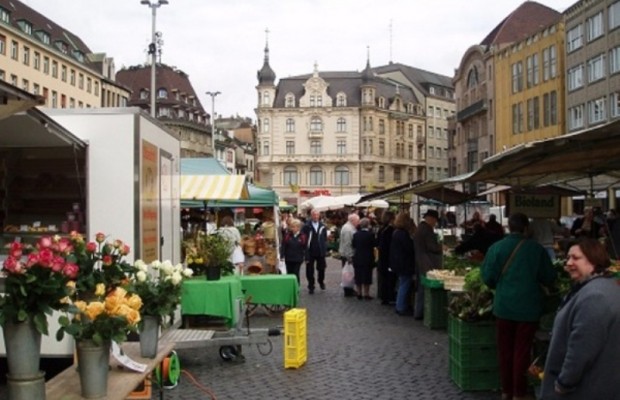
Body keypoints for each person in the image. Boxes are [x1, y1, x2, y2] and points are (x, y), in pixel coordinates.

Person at [481, 213, 556, 400]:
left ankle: (506, 391)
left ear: (508, 227)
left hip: (503, 307)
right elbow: (549, 277)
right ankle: (519, 393)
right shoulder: (536, 249)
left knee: (504, 350)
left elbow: (488, 278)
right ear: (526, 228)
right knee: (522, 351)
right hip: (528, 308)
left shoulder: (496, 248)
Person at [540, 238, 620, 399]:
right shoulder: (604, 287)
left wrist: (564, 383)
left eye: (576, 258)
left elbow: (582, 348)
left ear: (594, 260)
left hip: (586, 388)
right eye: (568, 257)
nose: (568, 263)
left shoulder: (595, 296)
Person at [413, 209, 443, 320]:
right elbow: (432, 247)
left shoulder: (420, 228)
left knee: (421, 288)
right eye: (435, 220)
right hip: (427, 262)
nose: (435, 223)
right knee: (423, 288)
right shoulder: (427, 230)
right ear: (431, 219)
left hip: (421, 261)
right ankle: (420, 312)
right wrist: (441, 247)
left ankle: (419, 311)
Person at [390, 212, 416, 316]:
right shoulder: (403, 234)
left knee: (401, 283)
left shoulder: (396, 232)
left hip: (398, 263)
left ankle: (399, 305)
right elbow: (409, 248)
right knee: (404, 284)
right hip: (404, 263)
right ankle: (400, 307)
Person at [302, 208, 328, 294]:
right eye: (314, 215)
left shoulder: (323, 226)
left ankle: (321, 281)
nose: (316, 216)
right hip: (310, 251)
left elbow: (324, 238)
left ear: (319, 216)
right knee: (309, 270)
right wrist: (305, 251)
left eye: (317, 215)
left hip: (320, 251)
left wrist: (324, 248)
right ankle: (311, 285)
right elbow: (304, 239)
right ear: (311, 216)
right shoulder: (306, 226)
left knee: (321, 269)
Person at [352, 218, 377, 300]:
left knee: (358, 275)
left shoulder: (356, 235)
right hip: (368, 257)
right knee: (367, 276)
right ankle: (366, 293)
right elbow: (374, 244)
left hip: (358, 257)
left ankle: (359, 293)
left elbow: (353, 245)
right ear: (368, 225)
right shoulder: (371, 235)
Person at [377, 211, 397, 305]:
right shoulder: (390, 230)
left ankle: (384, 296)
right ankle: (388, 296)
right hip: (388, 258)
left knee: (384, 278)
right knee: (389, 278)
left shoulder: (381, 229)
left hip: (382, 257)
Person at [338, 212, 360, 297]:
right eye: (357, 221)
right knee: (348, 273)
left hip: (347, 254)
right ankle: (348, 290)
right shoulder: (348, 229)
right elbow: (347, 244)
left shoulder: (350, 227)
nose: (358, 222)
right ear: (352, 220)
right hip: (347, 255)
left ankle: (349, 289)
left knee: (349, 273)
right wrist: (349, 256)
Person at [279, 218, 306, 284]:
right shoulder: (287, 236)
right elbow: (283, 246)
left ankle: (297, 287)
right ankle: (290, 287)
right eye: (292, 227)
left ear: (299, 227)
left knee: (296, 273)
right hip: (289, 258)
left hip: (298, 259)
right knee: (289, 273)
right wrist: (282, 256)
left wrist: (306, 257)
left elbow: (305, 247)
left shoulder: (302, 236)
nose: (293, 228)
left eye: (295, 227)